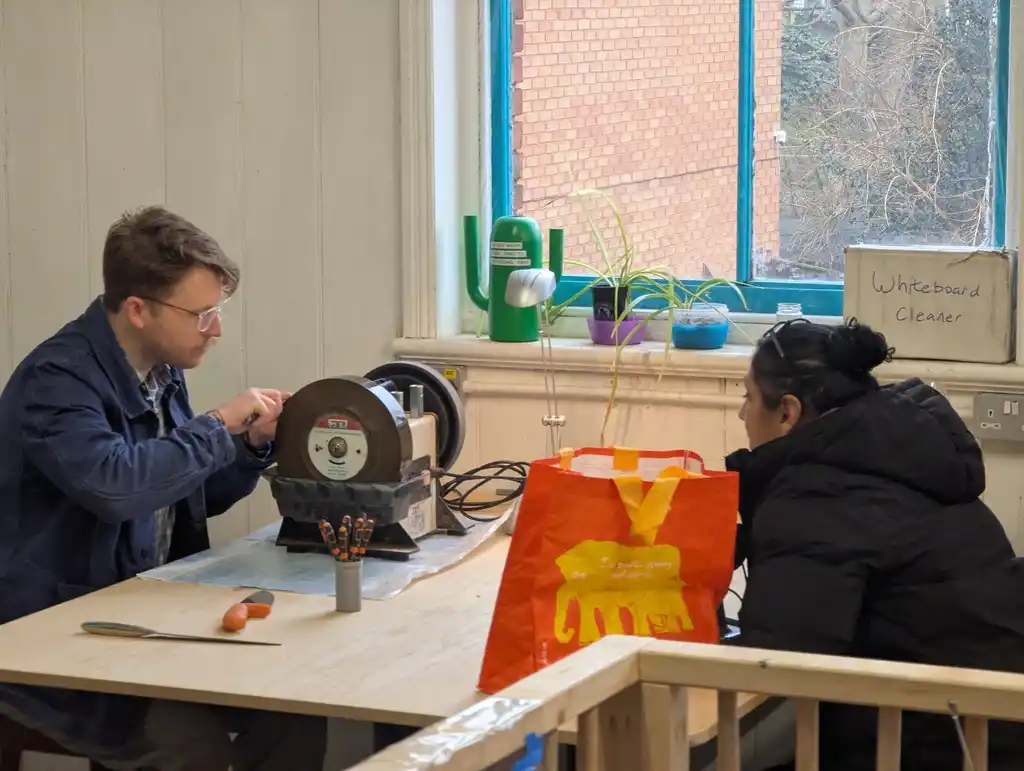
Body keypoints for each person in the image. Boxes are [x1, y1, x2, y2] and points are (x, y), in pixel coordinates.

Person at [0, 206, 327, 770]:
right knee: (187, 743)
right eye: (202, 314)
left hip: (148, 620)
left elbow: (180, 490)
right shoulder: (56, 382)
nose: (217, 329)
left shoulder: (159, 370)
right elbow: (118, 487)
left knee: (295, 708)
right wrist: (219, 424)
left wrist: (250, 445)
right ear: (138, 310)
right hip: (60, 639)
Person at [726, 317, 1024, 771]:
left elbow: (779, 665)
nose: (742, 414)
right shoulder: (908, 457)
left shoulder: (817, 496)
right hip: (991, 725)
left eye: (747, 398)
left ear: (787, 412)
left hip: (928, 743)